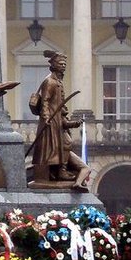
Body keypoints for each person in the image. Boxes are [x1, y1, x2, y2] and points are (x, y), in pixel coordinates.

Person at [30, 50, 90, 190]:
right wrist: (45, 118)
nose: (63, 66)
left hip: (58, 119)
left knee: (64, 143)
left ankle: (61, 170)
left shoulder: (58, 82)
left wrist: (74, 122)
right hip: (51, 120)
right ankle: (60, 170)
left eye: (64, 64)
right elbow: (44, 101)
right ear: (54, 65)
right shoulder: (49, 82)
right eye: (60, 63)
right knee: (55, 146)